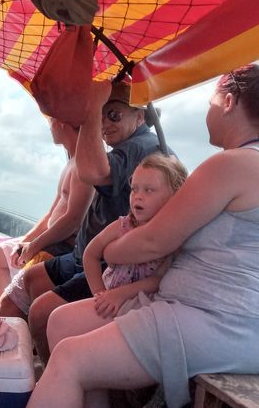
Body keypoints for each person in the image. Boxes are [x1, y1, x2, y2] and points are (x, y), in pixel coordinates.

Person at [27, 64, 259, 408]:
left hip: (216, 320)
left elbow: (151, 243)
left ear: (228, 101)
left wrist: (113, 248)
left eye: (211, 101)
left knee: (68, 359)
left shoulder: (231, 165)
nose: (207, 110)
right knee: (63, 320)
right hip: (214, 314)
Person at [26, 80, 175, 362]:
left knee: (41, 312)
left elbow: (91, 171)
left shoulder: (141, 147)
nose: (105, 122)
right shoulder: (130, 146)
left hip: (115, 267)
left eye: (114, 114)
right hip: (84, 254)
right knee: (33, 279)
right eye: (102, 114)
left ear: (140, 116)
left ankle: (55, 371)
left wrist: (92, 106)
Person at [0, 119, 94, 318]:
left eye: (52, 121)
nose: (50, 126)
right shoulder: (71, 160)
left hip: (61, 247)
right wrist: (26, 241)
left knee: (7, 305)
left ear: (62, 123)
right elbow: (52, 214)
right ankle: (16, 319)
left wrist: (34, 246)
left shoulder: (83, 163)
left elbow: (72, 221)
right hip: (47, 241)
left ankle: (12, 319)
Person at [82, 153, 187, 319]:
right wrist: (99, 294)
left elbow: (157, 280)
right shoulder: (122, 226)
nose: (138, 196)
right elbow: (90, 254)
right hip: (108, 300)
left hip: (138, 306)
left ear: (173, 197)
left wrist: (120, 294)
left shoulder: (170, 238)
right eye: (134, 189)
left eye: (149, 190)